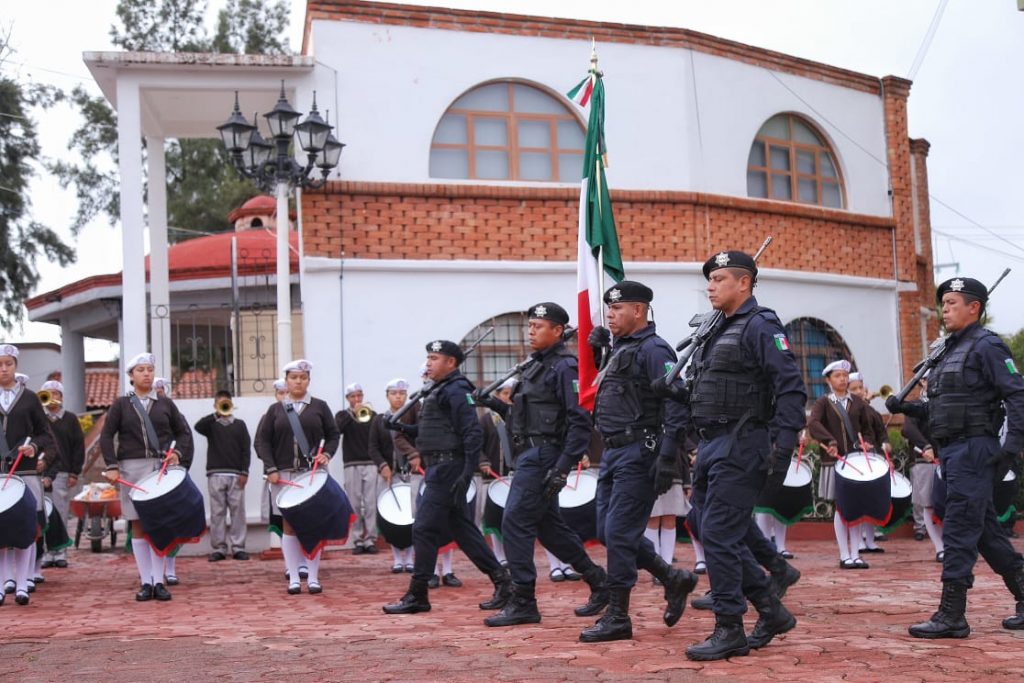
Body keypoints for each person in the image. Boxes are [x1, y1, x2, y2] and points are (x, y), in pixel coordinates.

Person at [676, 251, 806, 661]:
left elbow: (791, 389)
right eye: (709, 280)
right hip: (713, 443)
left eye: (718, 279)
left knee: (718, 532)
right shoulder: (716, 330)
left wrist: (782, 449)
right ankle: (771, 609)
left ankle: (729, 626)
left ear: (744, 283)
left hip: (744, 441)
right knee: (702, 522)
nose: (710, 287)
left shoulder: (761, 325)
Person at [887, 276, 1024, 637]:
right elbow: (942, 407)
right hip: (952, 450)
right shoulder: (946, 352)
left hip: (975, 448)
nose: (944, 309)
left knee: (961, 528)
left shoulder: (988, 346)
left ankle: (952, 615)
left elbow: (1017, 396)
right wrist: (908, 408)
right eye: (943, 303)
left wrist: (1012, 448)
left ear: (974, 307)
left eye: (951, 303)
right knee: (983, 530)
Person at [472, 302, 610, 627]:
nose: (531, 331)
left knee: (514, 523)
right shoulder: (534, 366)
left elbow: (579, 422)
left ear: (558, 331)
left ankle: (524, 601)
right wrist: (492, 402)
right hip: (530, 455)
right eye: (530, 325)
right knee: (549, 529)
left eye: (538, 326)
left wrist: (562, 467)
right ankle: (598, 580)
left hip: (545, 457)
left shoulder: (564, 367)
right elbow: (522, 419)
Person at [583, 281, 699, 643]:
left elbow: (675, 403)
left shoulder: (653, 349)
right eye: (609, 309)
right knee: (607, 530)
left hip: (640, 452)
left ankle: (618, 615)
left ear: (639, 311)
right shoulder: (622, 349)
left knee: (619, 532)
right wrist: (601, 354)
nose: (610, 315)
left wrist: (668, 456)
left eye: (617, 309)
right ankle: (671, 577)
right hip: (614, 452)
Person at [382, 340, 512, 615]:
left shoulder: (455, 390)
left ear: (451, 363)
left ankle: (418, 593)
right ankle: (503, 581)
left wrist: (466, 473)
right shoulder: (438, 389)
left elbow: (471, 432)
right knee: (464, 531)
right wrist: (401, 426)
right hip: (439, 466)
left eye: (434, 358)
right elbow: (433, 431)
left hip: (448, 468)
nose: (428, 363)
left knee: (424, 528)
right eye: (427, 357)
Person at [99, 353, 194, 602]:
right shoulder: (121, 404)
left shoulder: (165, 404)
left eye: (150, 369)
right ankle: (145, 582)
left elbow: (183, 433)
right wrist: (111, 465)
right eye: (141, 370)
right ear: (131, 375)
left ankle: (159, 581)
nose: (146, 374)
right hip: (132, 468)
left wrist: (178, 454)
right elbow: (107, 436)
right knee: (139, 525)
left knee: (159, 525)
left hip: (160, 469)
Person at [257, 360, 341, 595]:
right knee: (289, 526)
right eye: (293, 377)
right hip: (284, 475)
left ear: (309, 380)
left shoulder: (320, 407)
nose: (298, 381)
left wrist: (327, 453)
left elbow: (333, 435)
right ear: (286, 380)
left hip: (312, 475)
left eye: (303, 377)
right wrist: (270, 468)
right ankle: (293, 576)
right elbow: (264, 441)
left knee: (314, 525)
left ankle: (313, 577)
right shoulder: (276, 410)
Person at [807, 359, 876, 570]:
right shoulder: (823, 403)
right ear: (828, 380)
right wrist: (830, 441)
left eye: (845, 376)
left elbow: (868, 426)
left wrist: (869, 443)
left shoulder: (857, 402)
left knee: (856, 507)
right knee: (841, 507)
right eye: (837, 376)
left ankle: (856, 554)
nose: (843, 379)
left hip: (856, 461)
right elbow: (814, 424)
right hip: (835, 460)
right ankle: (844, 554)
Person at [0, 345, 52, 606]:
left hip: (26, 470)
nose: (4, 368)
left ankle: (22, 584)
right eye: (0, 364)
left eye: (8, 363)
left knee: (26, 528)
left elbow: (45, 434)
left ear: (15, 365)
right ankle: (1, 584)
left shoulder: (30, 398)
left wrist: (33, 447)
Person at [195, 390, 252, 562]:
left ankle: (238, 547)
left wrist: (245, 472)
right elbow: (198, 426)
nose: (224, 405)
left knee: (238, 512)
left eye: (226, 403)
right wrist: (216, 414)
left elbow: (246, 450)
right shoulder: (211, 425)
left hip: (236, 474)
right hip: (215, 474)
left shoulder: (240, 425)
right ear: (215, 405)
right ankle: (219, 548)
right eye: (220, 403)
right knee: (217, 512)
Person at [368, 377, 417, 572]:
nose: (398, 397)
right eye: (394, 394)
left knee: (412, 515)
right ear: (387, 396)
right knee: (392, 516)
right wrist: (382, 466)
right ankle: (397, 558)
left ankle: (411, 557)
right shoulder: (379, 420)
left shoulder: (413, 418)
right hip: (390, 474)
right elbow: (373, 447)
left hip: (411, 473)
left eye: (402, 394)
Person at [39, 380, 83, 570]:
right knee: (43, 513)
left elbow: (78, 447)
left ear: (61, 397)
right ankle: (47, 552)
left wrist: (74, 472)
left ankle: (60, 551)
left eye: (55, 393)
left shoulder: (71, 419)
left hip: (63, 471)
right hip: (42, 471)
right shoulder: (39, 419)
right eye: (47, 393)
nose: (52, 397)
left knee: (60, 511)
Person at [848, 372, 891, 553]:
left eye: (861, 387)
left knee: (871, 499)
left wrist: (885, 443)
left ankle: (871, 539)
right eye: (855, 388)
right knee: (857, 500)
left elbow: (880, 430)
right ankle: (858, 541)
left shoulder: (870, 410)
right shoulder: (848, 408)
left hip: (872, 455)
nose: (859, 391)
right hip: (856, 456)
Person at [335, 383, 380, 555]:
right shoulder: (342, 415)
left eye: (359, 396)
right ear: (348, 399)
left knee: (370, 503)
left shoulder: (372, 415)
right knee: (353, 503)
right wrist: (352, 414)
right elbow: (337, 430)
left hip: (370, 463)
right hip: (351, 463)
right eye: (353, 396)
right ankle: (357, 540)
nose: (357, 399)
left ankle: (370, 539)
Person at [477, 377, 514, 570]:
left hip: (511, 477)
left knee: (510, 515)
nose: (509, 398)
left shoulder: (515, 417)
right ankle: (498, 555)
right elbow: (477, 445)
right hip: (491, 476)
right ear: (497, 396)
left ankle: (511, 553)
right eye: (505, 394)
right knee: (493, 516)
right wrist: (483, 461)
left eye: (511, 394)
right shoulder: (486, 419)